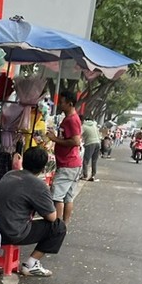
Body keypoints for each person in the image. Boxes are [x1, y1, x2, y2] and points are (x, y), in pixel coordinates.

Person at [0, 144, 65, 277]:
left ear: (23, 161)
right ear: (43, 167)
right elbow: (52, 217)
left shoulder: (10, 174)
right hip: (12, 233)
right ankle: (31, 264)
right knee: (58, 227)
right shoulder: (38, 186)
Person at [45, 90, 84, 225]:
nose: (60, 105)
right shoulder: (69, 119)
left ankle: (56, 226)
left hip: (68, 164)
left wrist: (55, 139)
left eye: (62, 102)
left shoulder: (72, 120)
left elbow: (75, 141)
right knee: (68, 197)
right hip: (72, 164)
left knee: (57, 197)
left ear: (70, 103)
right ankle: (64, 225)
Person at [81, 117, 102, 181]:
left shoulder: (83, 126)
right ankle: (93, 175)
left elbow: (78, 134)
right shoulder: (94, 126)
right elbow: (99, 135)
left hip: (90, 143)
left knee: (85, 160)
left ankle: (85, 175)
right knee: (94, 161)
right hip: (98, 143)